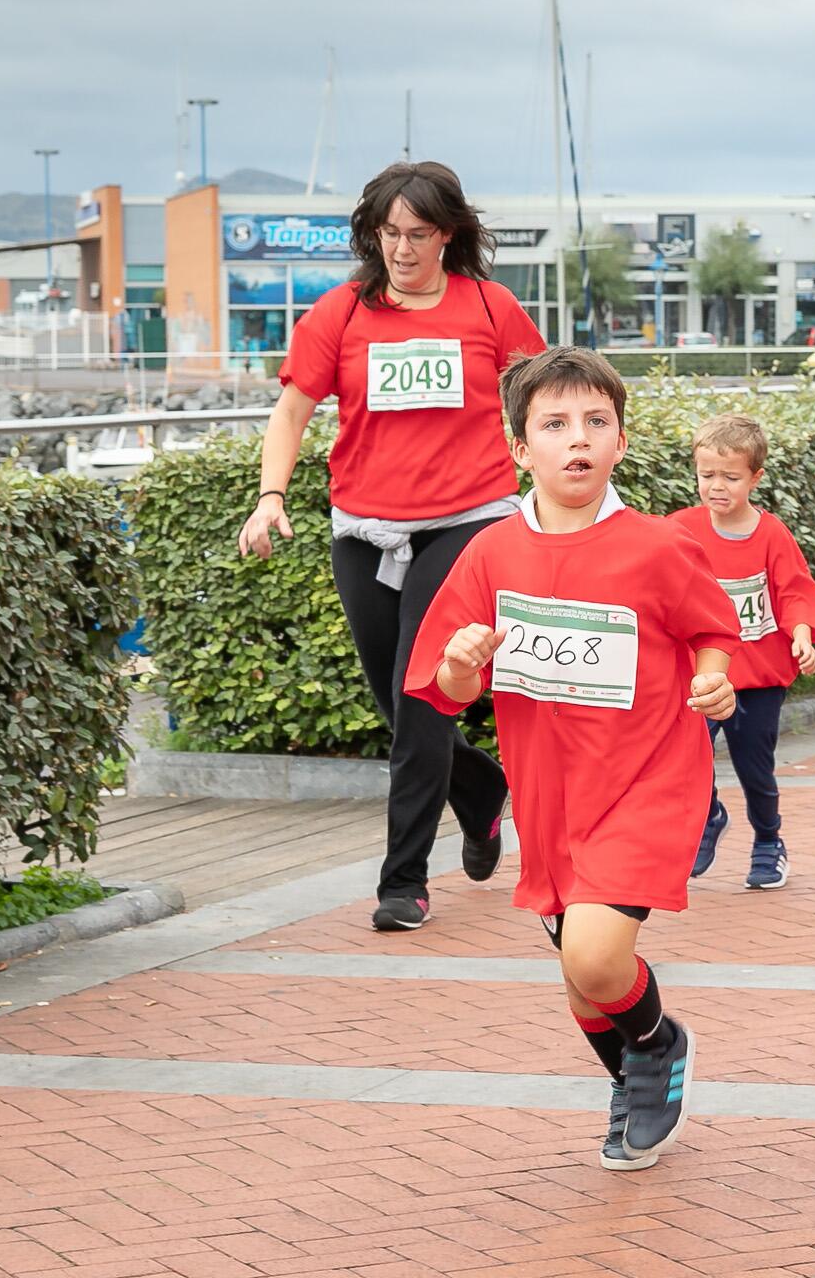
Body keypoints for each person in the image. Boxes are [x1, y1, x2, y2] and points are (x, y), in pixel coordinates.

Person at [406, 348, 740, 1171]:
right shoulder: (490, 554)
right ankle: (632, 1078)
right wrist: (460, 660)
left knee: (594, 956)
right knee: (580, 977)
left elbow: (712, 630)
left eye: (595, 422)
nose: (577, 439)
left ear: (620, 441)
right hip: (552, 795)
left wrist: (712, 682)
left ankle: (660, 1046)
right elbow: (444, 687)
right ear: (521, 448)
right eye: (554, 425)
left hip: (650, 779)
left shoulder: (656, 547)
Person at [238, 161, 547, 932]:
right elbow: (291, 412)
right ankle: (481, 796)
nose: (402, 250)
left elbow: (542, 397)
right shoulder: (341, 313)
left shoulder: (490, 305)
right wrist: (270, 496)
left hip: (469, 520)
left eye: (417, 234)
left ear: (448, 234)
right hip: (365, 526)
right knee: (402, 703)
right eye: (388, 234)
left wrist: (568, 482)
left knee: (418, 697)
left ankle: (403, 883)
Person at [673, 413, 815, 890]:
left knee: (756, 771)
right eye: (706, 474)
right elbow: (655, 583)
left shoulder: (771, 534)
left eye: (730, 477)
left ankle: (769, 841)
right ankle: (707, 817)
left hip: (759, 679)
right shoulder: (679, 529)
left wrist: (802, 633)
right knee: (686, 758)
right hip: (704, 679)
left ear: (755, 477)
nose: (716, 486)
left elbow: (793, 591)